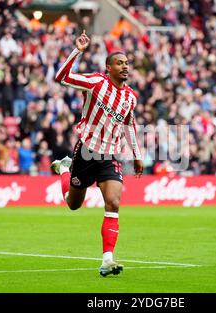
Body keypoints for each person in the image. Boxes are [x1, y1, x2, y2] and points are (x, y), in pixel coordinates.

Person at [51, 31, 143, 277]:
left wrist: (136, 153)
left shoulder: (130, 97)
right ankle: (63, 169)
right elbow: (61, 77)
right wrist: (77, 51)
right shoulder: (96, 82)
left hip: (110, 156)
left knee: (113, 202)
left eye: (126, 63)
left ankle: (107, 260)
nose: (125, 66)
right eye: (119, 63)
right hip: (87, 151)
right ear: (108, 67)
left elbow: (128, 124)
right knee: (73, 203)